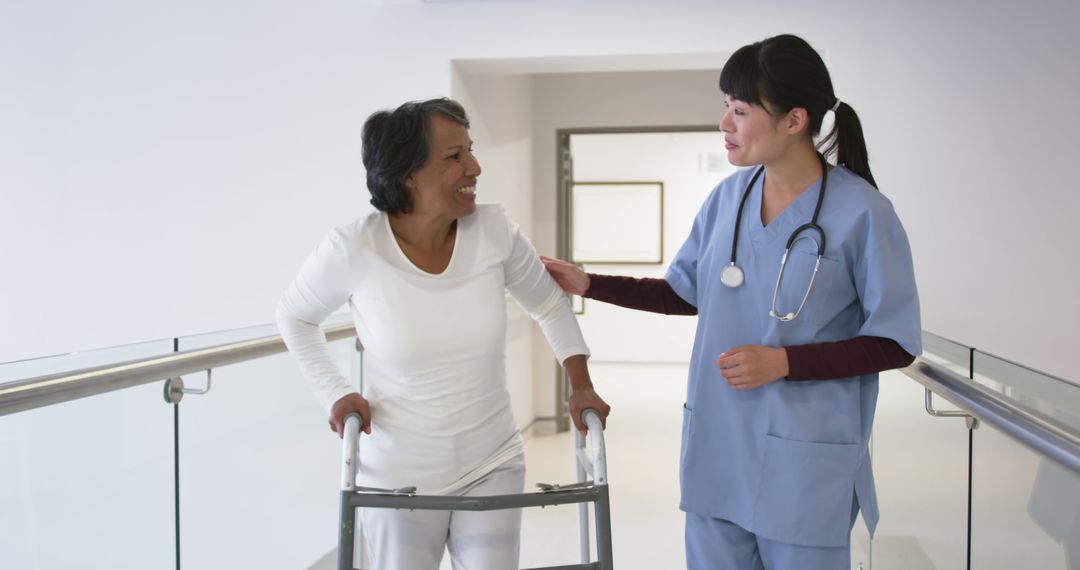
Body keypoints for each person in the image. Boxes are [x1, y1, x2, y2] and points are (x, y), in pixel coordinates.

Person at [541, 34, 921, 570]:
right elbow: (684, 292)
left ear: (794, 120)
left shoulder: (863, 213)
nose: (725, 124)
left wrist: (786, 363)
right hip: (720, 451)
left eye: (740, 111)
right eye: (726, 108)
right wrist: (590, 284)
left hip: (803, 466)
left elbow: (894, 342)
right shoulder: (728, 198)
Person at [276, 97, 610, 570]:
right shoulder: (355, 247)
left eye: (470, 150)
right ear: (409, 174)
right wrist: (336, 392)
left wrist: (581, 385)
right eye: (454, 157)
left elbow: (550, 305)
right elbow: (294, 316)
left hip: (491, 461)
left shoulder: (494, 231)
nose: (474, 166)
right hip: (396, 473)